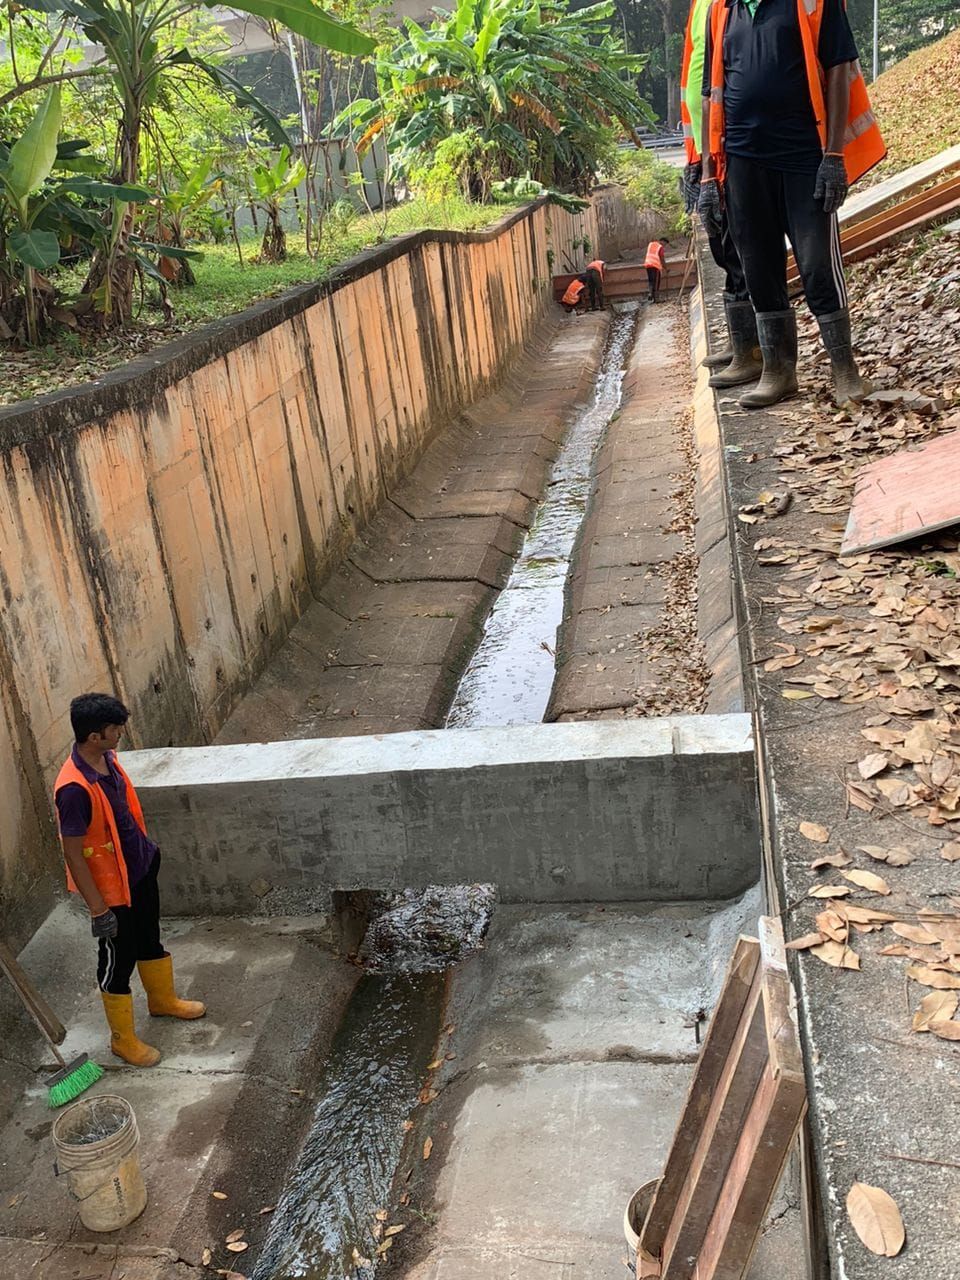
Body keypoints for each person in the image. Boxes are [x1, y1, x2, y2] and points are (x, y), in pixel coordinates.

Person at [698, 0, 885, 408]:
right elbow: (710, 94)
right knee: (758, 267)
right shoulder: (721, 10)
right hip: (743, 160)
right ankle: (778, 370)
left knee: (817, 265)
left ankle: (845, 370)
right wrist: (709, 175)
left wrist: (833, 155)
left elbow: (838, 68)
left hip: (803, 156)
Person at [54, 693, 205, 1068]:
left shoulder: (109, 760)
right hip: (111, 893)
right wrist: (98, 909)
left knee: (149, 938)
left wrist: (149, 855)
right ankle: (122, 1040)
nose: (121, 733)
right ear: (95, 736)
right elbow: (72, 852)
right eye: (115, 729)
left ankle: (162, 1001)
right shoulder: (73, 789)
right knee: (117, 962)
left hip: (139, 869)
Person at [680, 0, 762, 388]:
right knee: (722, 249)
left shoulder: (727, 6)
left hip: (731, 151)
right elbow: (694, 86)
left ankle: (754, 352)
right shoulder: (701, 6)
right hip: (707, 154)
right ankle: (740, 342)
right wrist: (695, 160)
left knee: (743, 248)